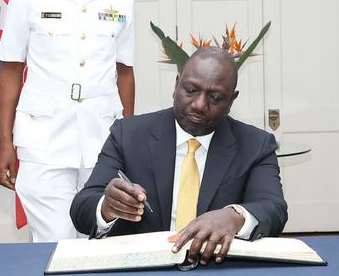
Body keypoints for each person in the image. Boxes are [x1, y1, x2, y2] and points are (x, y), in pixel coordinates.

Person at [0, 0, 136, 242]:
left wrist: (129, 141)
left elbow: (124, 73)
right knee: (55, 239)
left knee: (100, 239)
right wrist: (3, 142)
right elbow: (11, 70)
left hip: (102, 138)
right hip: (43, 141)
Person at [70, 48, 287, 266]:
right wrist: (107, 207)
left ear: (231, 101)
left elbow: (273, 209)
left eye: (215, 97)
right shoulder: (128, 134)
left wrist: (235, 216)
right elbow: (82, 208)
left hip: (215, 268)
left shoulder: (255, 145)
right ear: (176, 85)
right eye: (191, 90)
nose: (200, 105)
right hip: (143, 269)